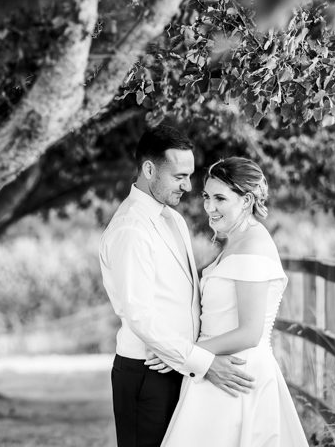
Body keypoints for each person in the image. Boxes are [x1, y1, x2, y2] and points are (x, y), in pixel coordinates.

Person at [99, 126, 256, 447]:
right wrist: (203, 362)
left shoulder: (174, 219)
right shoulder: (131, 228)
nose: (188, 185)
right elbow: (140, 316)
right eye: (179, 176)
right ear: (148, 169)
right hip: (147, 373)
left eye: (189, 175)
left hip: (177, 366)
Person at [152, 157, 309, 447]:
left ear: (247, 200)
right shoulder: (236, 240)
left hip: (237, 375)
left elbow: (250, 332)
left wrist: (180, 353)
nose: (209, 207)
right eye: (207, 197)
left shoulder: (253, 245)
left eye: (220, 198)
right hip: (215, 368)